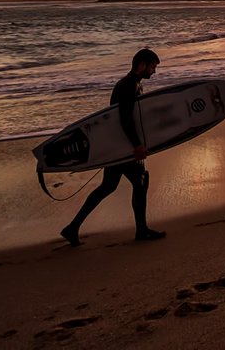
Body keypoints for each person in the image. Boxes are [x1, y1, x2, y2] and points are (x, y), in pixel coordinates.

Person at [61, 48, 166, 246]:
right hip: (123, 147)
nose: (154, 71)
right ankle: (141, 230)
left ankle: (72, 228)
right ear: (142, 64)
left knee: (108, 186)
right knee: (140, 181)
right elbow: (125, 119)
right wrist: (136, 145)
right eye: (152, 67)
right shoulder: (128, 86)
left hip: (118, 145)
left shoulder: (131, 84)